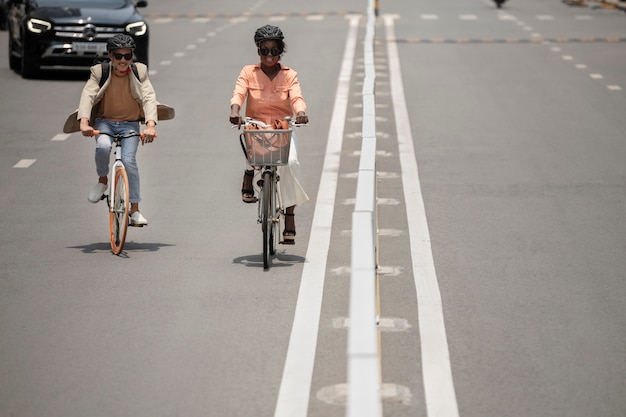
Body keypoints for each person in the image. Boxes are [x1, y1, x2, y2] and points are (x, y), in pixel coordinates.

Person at [230, 25, 309, 244]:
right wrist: (235, 111)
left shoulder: (289, 75)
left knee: (290, 164)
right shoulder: (248, 72)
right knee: (252, 144)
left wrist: (301, 112)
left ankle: (289, 216)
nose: (269, 56)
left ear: (281, 51)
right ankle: (249, 174)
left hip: (282, 127)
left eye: (274, 50)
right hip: (256, 126)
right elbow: (238, 93)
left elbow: (296, 98)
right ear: (258, 51)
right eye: (265, 50)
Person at [75, 34, 158, 226]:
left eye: (127, 56)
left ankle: (135, 211)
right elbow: (88, 95)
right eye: (119, 56)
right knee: (103, 146)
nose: (123, 61)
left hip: (130, 124)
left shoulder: (139, 71)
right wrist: (84, 122)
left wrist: (151, 125)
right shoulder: (100, 71)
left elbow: (148, 97)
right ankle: (103, 180)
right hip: (105, 122)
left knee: (129, 161)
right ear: (111, 56)